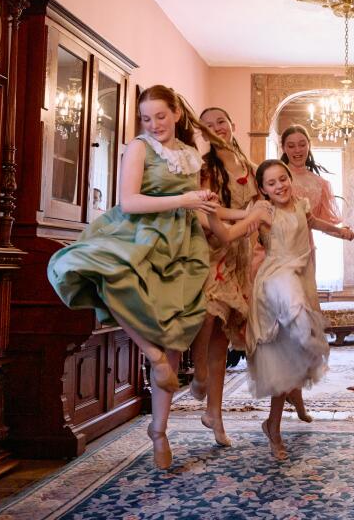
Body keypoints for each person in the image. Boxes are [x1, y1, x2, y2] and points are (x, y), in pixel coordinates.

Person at [47, 85, 220, 469]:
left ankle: (159, 431)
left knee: (176, 329)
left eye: (161, 116)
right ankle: (151, 353)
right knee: (113, 278)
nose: (155, 124)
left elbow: (201, 210)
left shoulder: (191, 155)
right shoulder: (138, 147)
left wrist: (231, 216)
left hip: (184, 243)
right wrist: (185, 200)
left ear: (176, 113)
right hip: (142, 234)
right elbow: (129, 201)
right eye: (146, 118)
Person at [210, 159, 354, 460]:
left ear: (290, 178)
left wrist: (340, 231)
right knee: (299, 323)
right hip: (276, 279)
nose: (279, 186)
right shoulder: (264, 211)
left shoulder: (301, 204)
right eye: (271, 183)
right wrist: (210, 213)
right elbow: (228, 235)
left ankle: (273, 426)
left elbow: (314, 222)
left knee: (286, 362)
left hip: (301, 278)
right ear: (262, 189)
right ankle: (305, 334)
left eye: (282, 179)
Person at [187, 106, 263, 447]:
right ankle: (198, 372)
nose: (217, 127)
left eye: (222, 120)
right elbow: (202, 213)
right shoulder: (203, 169)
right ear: (202, 133)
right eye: (208, 125)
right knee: (206, 314)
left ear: (233, 124)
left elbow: (263, 213)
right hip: (211, 251)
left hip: (240, 258)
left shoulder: (251, 169)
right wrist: (235, 224)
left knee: (222, 336)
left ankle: (214, 416)